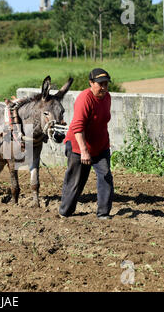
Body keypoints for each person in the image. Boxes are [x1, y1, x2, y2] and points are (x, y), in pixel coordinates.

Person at [58, 68, 114, 219]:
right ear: (91, 83)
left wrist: (106, 145)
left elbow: (102, 123)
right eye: (100, 84)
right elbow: (77, 126)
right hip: (78, 146)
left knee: (105, 176)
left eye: (106, 84)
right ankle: (65, 211)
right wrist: (84, 150)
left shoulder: (107, 97)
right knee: (76, 180)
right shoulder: (85, 98)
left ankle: (103, 213)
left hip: (100, 146)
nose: (103, 87)